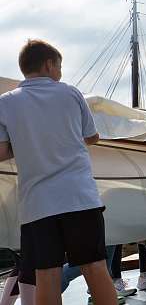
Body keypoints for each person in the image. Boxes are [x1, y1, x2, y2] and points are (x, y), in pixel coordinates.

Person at [0, 39, 117, 305]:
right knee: (94, 267)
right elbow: (92, 136)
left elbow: (2, 152)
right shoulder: (70, 93)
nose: (60, 73)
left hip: (37, 206)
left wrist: (30, 141)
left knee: (46, 275)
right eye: (59, 66)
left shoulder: (5, 103)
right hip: (79, 198)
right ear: (49, 64)